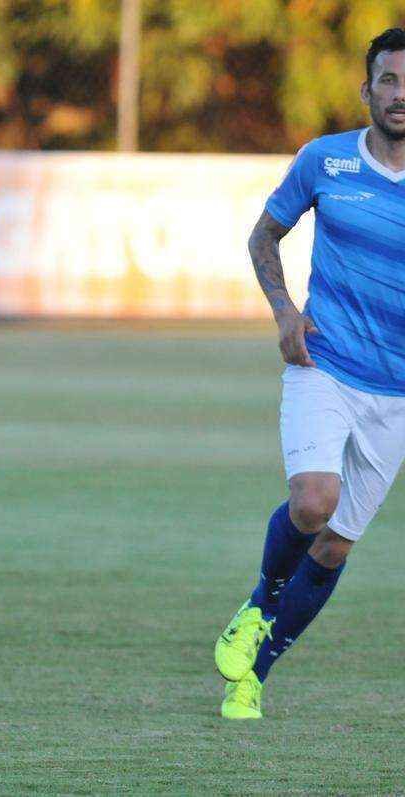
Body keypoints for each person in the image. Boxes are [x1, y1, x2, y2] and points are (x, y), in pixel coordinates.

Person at [214, 28, 405, 719]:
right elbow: (264, 234)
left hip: (397, 394)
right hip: (323, 363)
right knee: (314, 502)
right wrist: (284, 310)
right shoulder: (326, 160)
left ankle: (253, 675)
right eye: (388, 80)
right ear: (367, 90)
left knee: (334, 546)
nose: (400, 95)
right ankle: (259, 602)